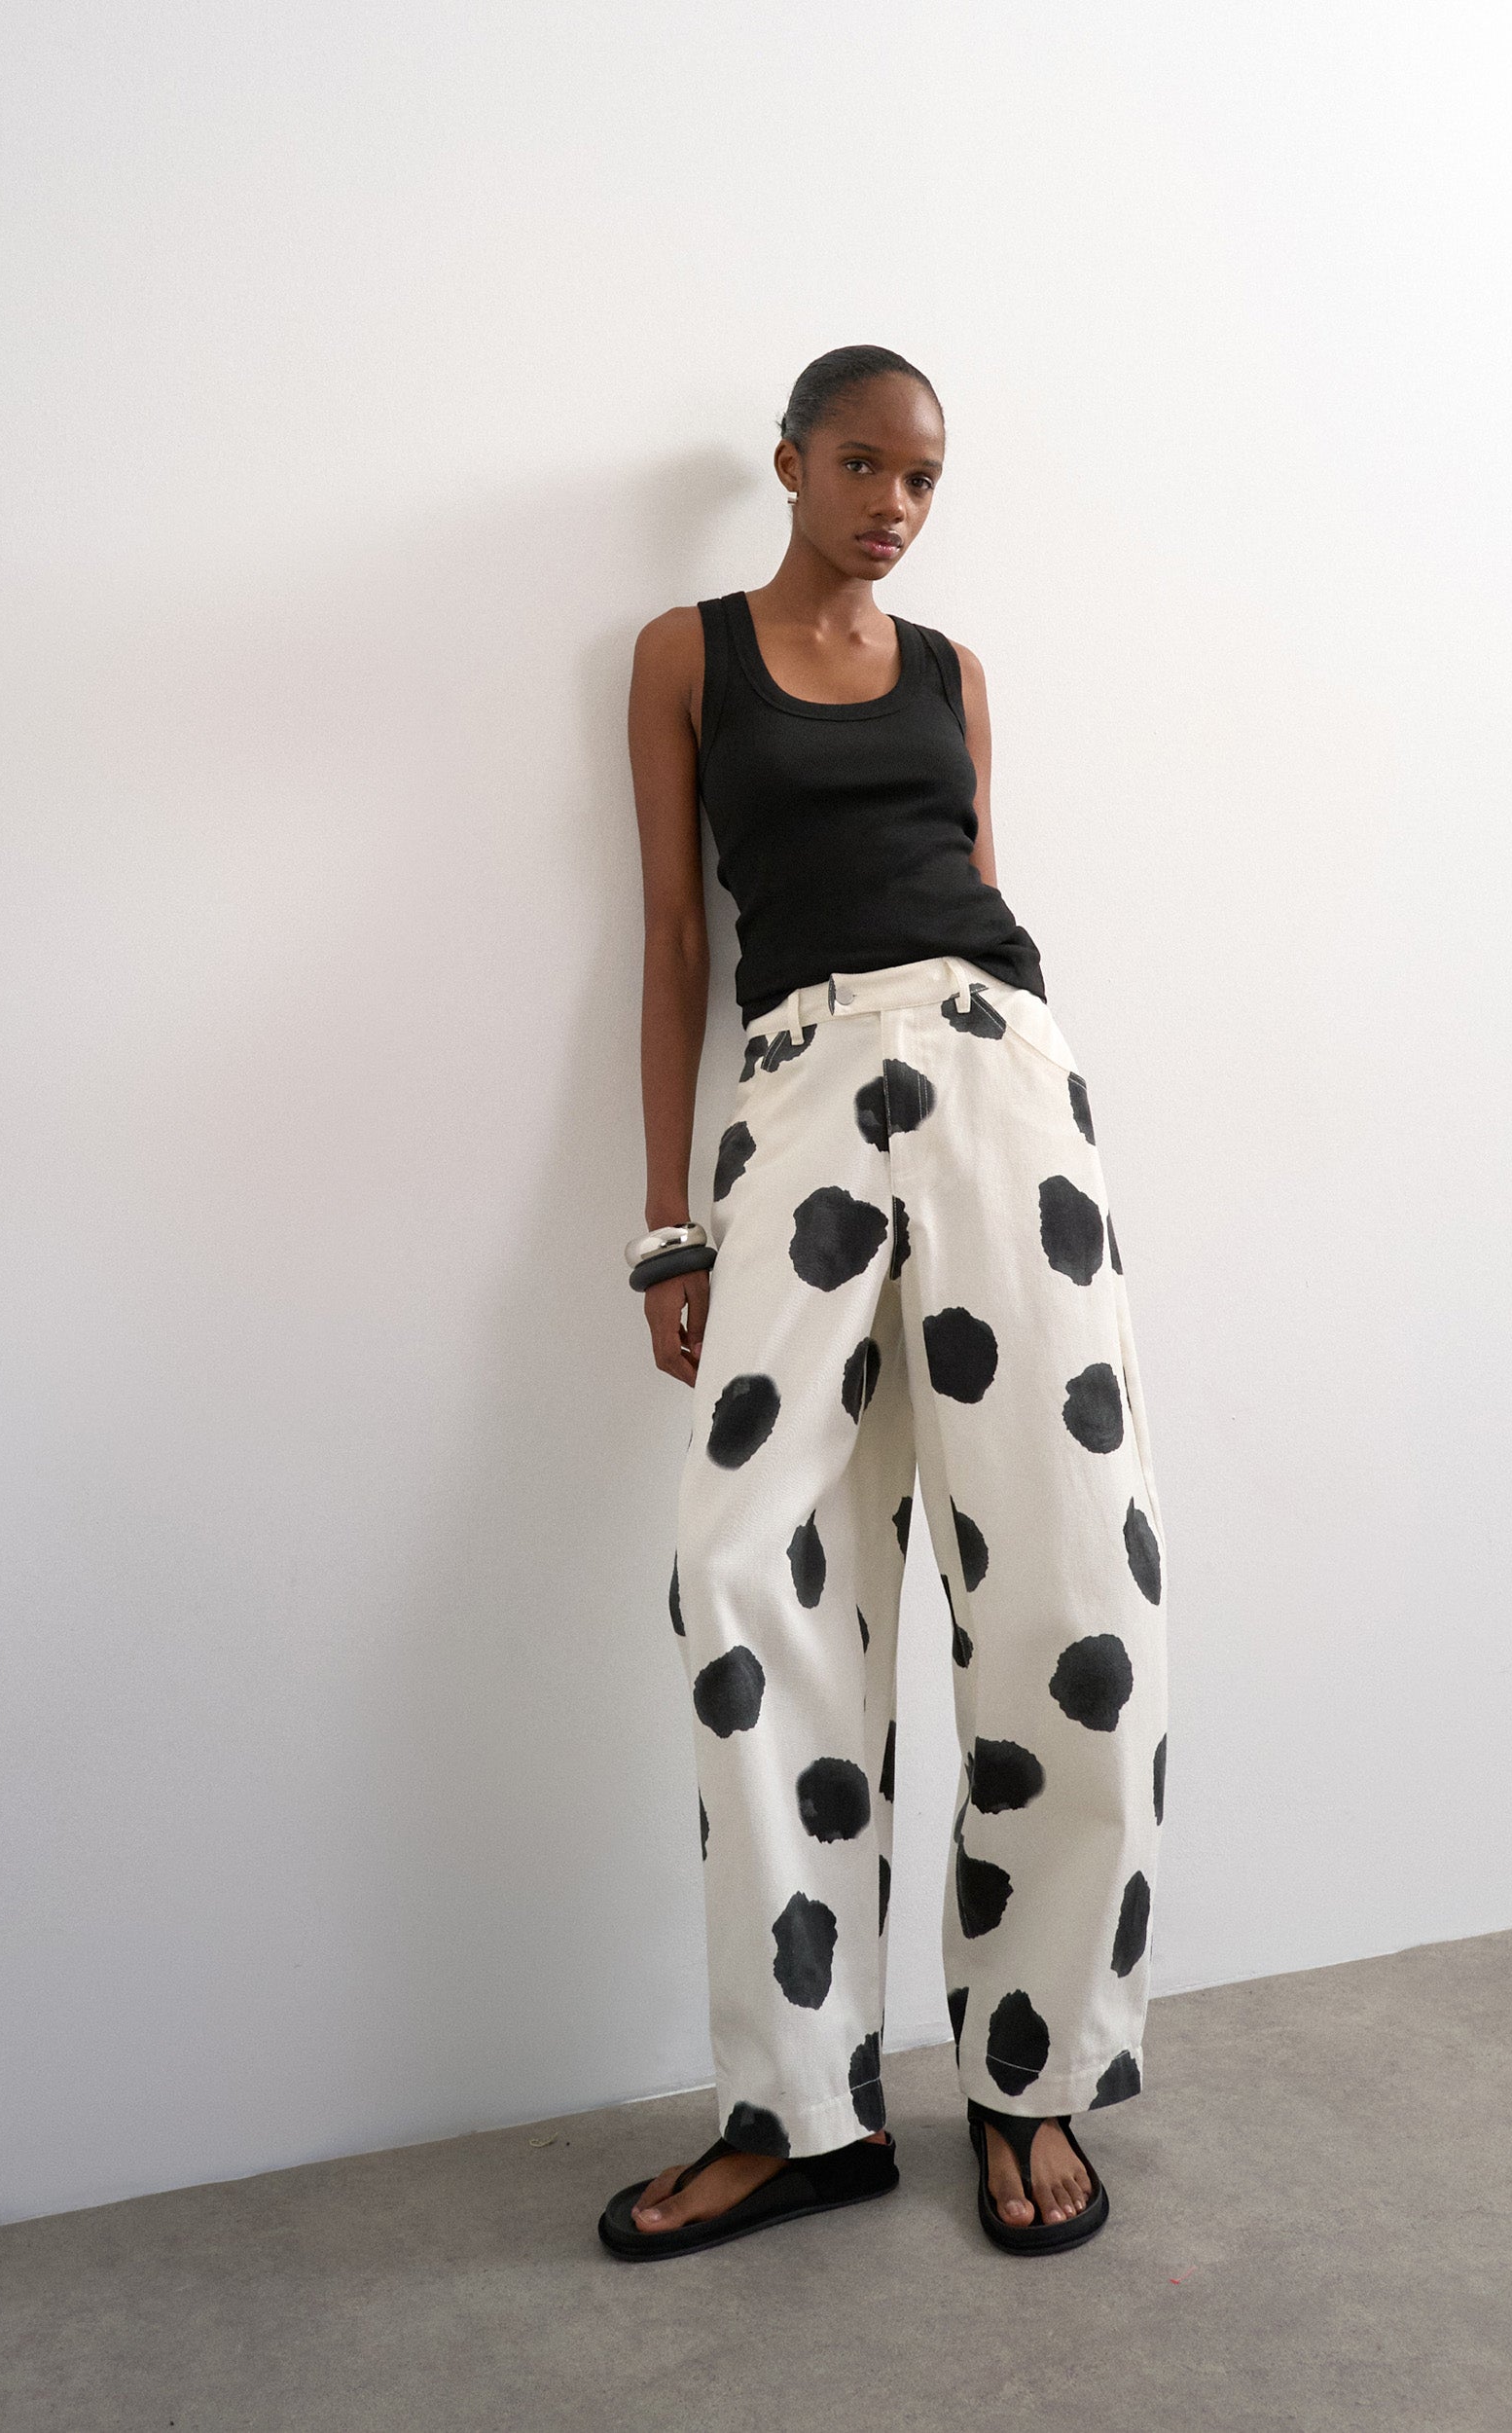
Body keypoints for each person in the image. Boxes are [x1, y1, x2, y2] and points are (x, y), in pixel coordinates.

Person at [596, 346, 1168, 2262]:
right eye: (861, 464)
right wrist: (665, 1222)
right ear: (788, 461)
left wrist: (1021, 1086)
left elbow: (986, 887)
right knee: (746, 1572)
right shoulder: (687, 655)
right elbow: (674, 934)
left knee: (1069, 1580)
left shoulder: (949, 673)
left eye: (922, 478)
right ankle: (799, 2105)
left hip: (1000, 1082)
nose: (894, 505)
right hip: (799, 1089)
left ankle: (1029, 2069)